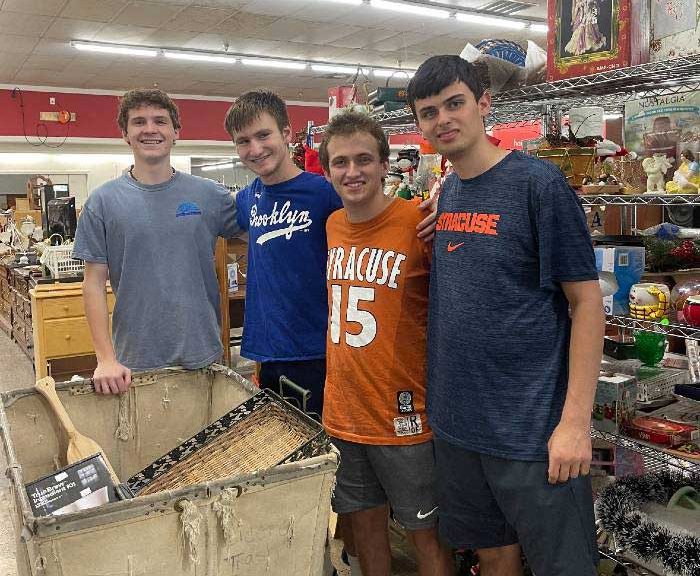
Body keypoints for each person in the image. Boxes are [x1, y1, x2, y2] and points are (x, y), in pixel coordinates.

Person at [223, 90, 436, 575]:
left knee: (364, 490)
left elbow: (381, 227)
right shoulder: (249, 199)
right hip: (273, 357)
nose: (255, 148)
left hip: (332, 357)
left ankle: (345, 553)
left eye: (264, 135)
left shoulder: (326, 196)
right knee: (310, 480)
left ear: (289, 135)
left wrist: (441, 207)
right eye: (244, 141)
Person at [407, 55, 604, 575]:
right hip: (458, 427)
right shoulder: (446, 192)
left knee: (562, 566)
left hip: (532, 432)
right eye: (429, 112)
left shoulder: (539, 185)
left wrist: (575, 424)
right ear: (420, 125)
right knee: (492, 556)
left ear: (483, 104)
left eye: (455, 103)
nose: (443, 119)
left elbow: (586, 303)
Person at [318, 111, 453, 576]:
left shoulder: (417, 222)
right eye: (340, 162)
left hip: (404, 415)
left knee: (426, 537)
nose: (352, 172)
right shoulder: (333, 224)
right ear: (327, 169)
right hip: (343, 413)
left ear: (382, 164)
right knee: (365, 530)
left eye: (363, 160)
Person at [73, 89, 240, 394]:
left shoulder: (210, 195)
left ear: (176, 132)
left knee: (208, 441)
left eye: (160, 121)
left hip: (202, 354)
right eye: (139, 122)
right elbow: (93, 284)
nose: (150, 129)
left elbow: (261, 232)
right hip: (134, 360)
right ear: (125, 134)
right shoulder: (102, 203)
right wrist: (105, 359)